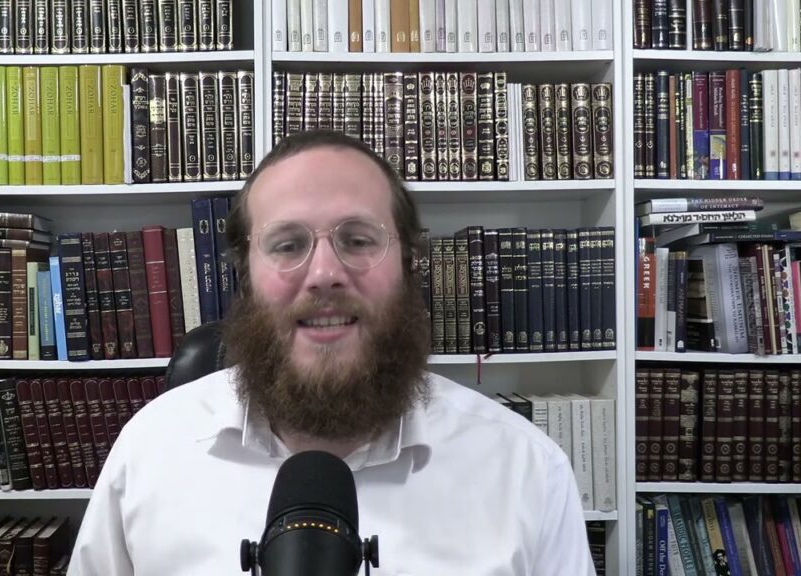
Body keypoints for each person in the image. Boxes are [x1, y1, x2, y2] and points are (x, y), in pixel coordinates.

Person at [67, 130, 596, 575]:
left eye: (359, 240)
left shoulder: (526, 471)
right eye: (288, 244)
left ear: (409, 265)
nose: (324, 274)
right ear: (246, 277)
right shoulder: (149, 452)